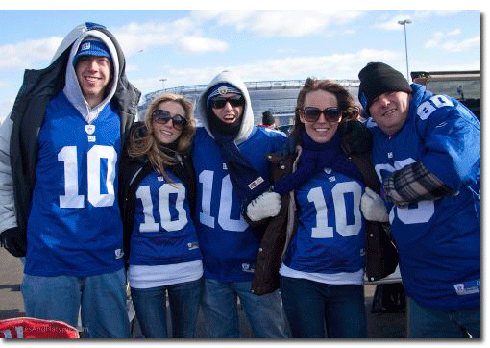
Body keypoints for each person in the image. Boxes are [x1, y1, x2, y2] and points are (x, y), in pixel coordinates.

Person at [0, 23, 140, 338]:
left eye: (103, 60)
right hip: (49, 254)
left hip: (107, 256)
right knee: (50, 339)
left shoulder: (123, 117)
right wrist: (7, 221)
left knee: (111, 338)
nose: (94, 68)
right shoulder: (34, 111)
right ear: (70, 65)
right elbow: (3, 163)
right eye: (85, 60)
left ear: (114, 68)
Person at [357, 62, 480, 338]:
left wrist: (387, 196)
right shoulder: (375, 131)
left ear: (407, 91)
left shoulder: (439, 111)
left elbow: (448, 170)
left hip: (474, 280)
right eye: (374, 101)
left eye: (390, 93)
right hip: (422, 290)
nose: (384, 103)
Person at [249, 78, 370, 338]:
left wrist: (384, 210)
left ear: (342, 116)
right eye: (312, 113)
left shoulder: (361, 153)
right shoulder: (288, 159)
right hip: (301, 276)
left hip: (349, 277)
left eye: (331, 112)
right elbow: (265, 212)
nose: (322, 120)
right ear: (301, 116)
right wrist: (257, 211)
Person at [191, 70, 289, 338]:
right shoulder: (196, 141)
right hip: (212, 267)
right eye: (218, 103)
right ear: (207, 108)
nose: (228, 109)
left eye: (236, 101)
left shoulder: (272, 142)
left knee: (272, 336)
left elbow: (313, 149)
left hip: (256, 265)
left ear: (246, 103)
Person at [119, 93, 202, 338]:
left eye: (178, 120)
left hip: (186, 263)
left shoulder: (188, 157)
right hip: (144, 266)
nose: (169, 124)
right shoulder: (130, 156)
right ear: (150, 118)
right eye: (162, 116)